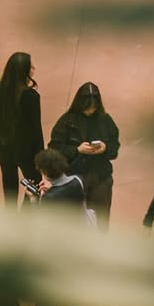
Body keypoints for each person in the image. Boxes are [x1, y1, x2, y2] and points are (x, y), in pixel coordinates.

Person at [49, 82, 120, 225]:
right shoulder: (67, 121)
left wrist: (105, 148)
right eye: (87, 108)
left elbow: (115, 147)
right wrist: (77, 150)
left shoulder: (105, 120)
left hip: (100, 177)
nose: (90, 111)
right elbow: (54, 149)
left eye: (93, 108)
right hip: (73, 177)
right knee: (72, 219)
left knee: (101, 218)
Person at [0, 52, 44, 203]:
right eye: (30, 67)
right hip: (25, 151)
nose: (34, 68)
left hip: (4, 147)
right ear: (23, 71)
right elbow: (35, 129)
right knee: (33, 183)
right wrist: (40, 154)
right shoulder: (30, 96)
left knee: (9, 184)